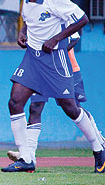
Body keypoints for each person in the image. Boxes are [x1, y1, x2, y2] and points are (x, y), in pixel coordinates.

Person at [1, 0, 105, 173]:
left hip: (55, 60)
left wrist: (56, 39)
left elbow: (82, 19)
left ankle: (99, 148)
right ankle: (26, 158)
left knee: (70, 108)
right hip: (32, 58)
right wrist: (22, 34)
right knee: (15, 101)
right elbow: (29, 21)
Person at [6, 32, 105, 165]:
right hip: (40, 70)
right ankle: (29, 156)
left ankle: (99, 142)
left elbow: (75, 37)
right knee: (35, 107)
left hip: (66, 69)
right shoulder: (34, 18)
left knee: (73, 108)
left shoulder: (58, 13)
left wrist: (56, 50)